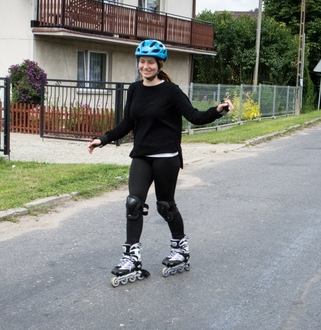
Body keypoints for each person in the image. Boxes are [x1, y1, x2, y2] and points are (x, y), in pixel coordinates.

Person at [87, 39, 233, 282]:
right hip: (142, 156)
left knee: (165, 205)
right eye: (142, 62)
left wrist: (217, 111)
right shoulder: (134, 90)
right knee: (133, 202)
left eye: (150, 62)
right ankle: (131, 257)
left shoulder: (171, 91)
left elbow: (194, 116)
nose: (145, 66)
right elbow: (127, 124)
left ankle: (180, 248)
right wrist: (102, 139)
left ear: (159, 64)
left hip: (167, 157)